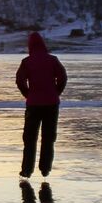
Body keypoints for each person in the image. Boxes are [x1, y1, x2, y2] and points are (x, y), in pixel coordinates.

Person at [15, 31, 67, 179]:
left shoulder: (27, 62)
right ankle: (45, 168)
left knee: (30, 138)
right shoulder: (53, 60)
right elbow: (63, 77)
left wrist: (28, 94)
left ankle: (27, 170)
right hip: (51, 103)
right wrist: (56, 92)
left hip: (34, 104)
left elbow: (20, 81)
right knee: (48, 137)